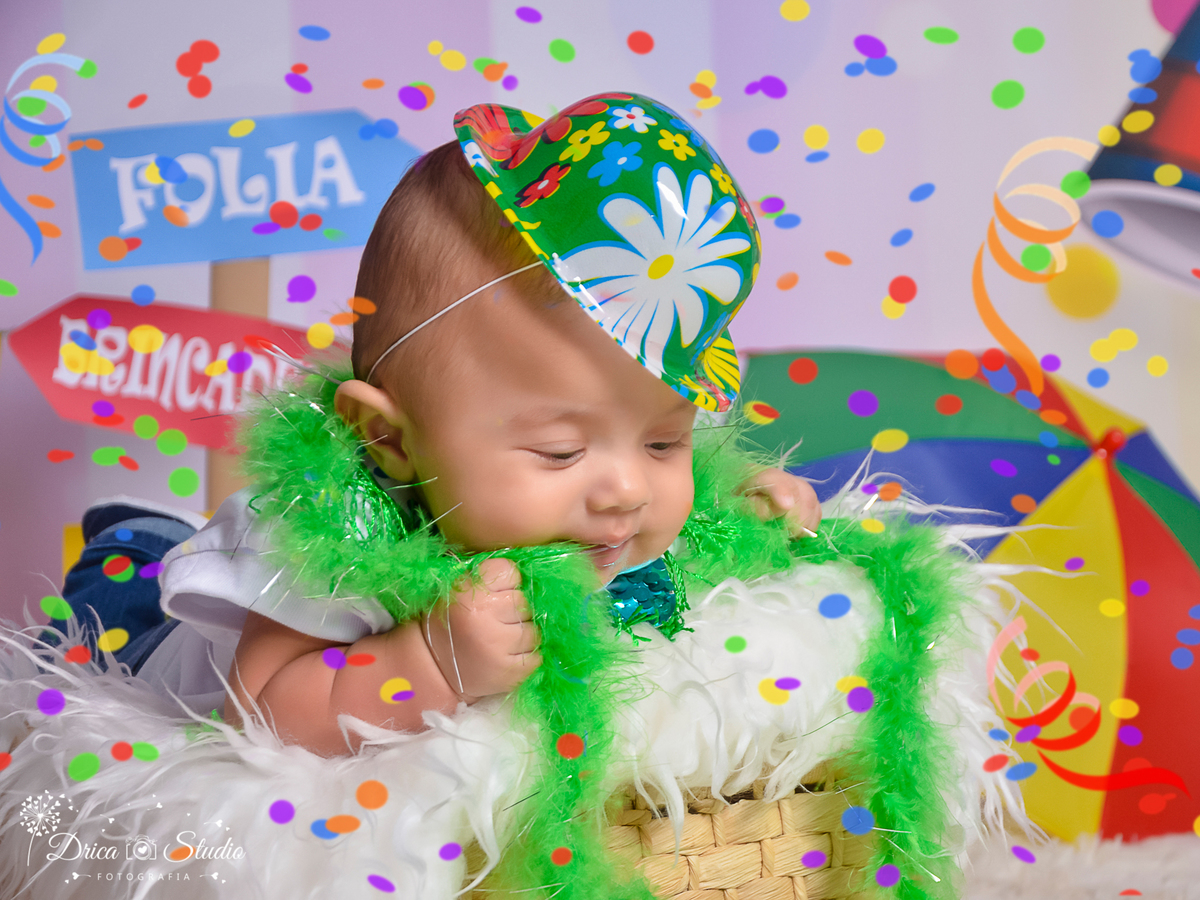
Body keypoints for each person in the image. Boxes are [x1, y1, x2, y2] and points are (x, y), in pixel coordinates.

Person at [129, 92, 822, 757]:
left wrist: (743, 510)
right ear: (390, 440)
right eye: (561, 450)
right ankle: (130, 534)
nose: (628, 490)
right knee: (125, 580)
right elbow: (259, 714)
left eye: (664, 441)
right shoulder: (329, 533)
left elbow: (696, 539)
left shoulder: (605, 519)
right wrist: (428, 662)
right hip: (149, 628)